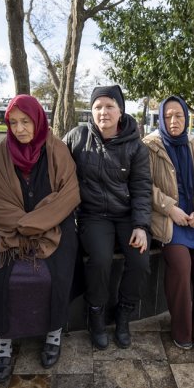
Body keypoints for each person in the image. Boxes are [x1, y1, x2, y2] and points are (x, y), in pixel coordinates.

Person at [0, 95, 80, 383]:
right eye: (13, 122)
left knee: (53, 276)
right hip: (9, 232)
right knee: (3, 279)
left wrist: (37, 223)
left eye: (25, 121)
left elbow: (69, 193)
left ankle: (53, 334)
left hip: (53, 230)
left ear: (38, 121)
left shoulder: (57, 151)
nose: (19, 129)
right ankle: (4, 344)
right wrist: (23, 224)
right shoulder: (0, 154)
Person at [64, 85, 152, 350]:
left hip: (126, 215)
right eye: (98, 107)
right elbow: (56, 166)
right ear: (91, 111)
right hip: (93, 216)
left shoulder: (136, 146)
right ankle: (96, 314)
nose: (103, 112)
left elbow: (141, 188)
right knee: (100, 260)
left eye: (109, 106)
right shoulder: (78, 137)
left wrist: (140, 225)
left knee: (140, 260)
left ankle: (124, 314)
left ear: (121, 110)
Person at [143, 95, 194, 361]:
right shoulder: (149, 146)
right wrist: (170, 208)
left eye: (178, 115)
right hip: (170, 221)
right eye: (167, 117)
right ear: (161, 119)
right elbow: (144, 186)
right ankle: (182, 329)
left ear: (186, 117)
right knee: (180, 264)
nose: (173, 121)